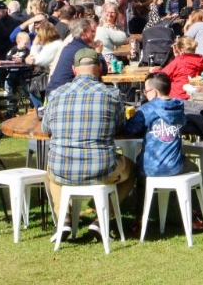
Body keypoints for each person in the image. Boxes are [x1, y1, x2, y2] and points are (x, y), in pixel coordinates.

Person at [42, 48, 136, 240]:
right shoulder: (112, 95)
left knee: (52, 170)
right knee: (132, 168)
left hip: (62, 169)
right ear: (100, 67)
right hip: (102, 169)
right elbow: (120, 126)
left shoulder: (57, 94)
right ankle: (101, 220)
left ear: (74, 69)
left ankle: (64, 219)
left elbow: (46, 128)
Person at [46, 18, 107, 96]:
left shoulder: (71, 45)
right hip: (62, 95)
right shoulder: (82, 50)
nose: (94, 34)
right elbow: (103, 69)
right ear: (83, 33)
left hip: (53, 91)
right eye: (91, 31)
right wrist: (98, 53)